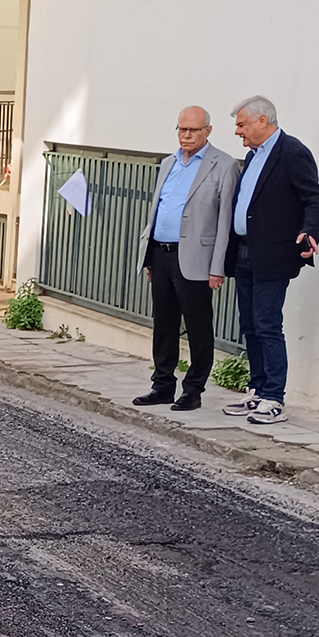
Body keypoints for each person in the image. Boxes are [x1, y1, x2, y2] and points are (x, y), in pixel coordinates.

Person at [223, 96, 319, 426]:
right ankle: (257, 389)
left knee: (267, 325)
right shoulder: (253, 156)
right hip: (245, 251)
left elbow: (313, 196)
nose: (238, 131)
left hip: (273, 254)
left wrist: (310, 231)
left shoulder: (292, 152)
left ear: (261, 121)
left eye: (241, 124)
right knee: (250, 326)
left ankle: (274, 398)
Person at [130, 106, 240, 411]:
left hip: (196, 259)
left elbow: (225, 221)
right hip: (162, 254)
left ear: (208, 130)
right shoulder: (169, 163)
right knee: (163, 324)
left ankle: (193, 389)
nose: (186, 135)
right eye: (181, 129)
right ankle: (162, 384)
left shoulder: (224, 166)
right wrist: (149, 256)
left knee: (197, 326)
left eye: (192, 130)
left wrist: (217, 267)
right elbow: (158, 209)